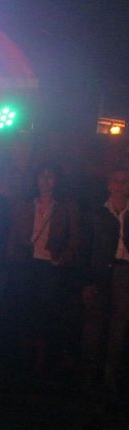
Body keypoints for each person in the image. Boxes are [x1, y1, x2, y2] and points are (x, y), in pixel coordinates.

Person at [6, 163, 83, 381]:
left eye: (50, 176)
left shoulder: (65, 207)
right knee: (25, 311)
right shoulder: (25, 204)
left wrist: (64, 257)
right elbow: (14, 234)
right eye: (42, 176)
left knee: (44, 314)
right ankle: (24, 359)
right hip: (26, 264)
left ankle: (40, 363)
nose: (46, 181)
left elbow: (75, 239)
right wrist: (11, 260)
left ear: (57, 180)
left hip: (50, 266)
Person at [82, 165, 129, 398]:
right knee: (95, 323)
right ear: (109, 184)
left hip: (125, 272)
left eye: (124, 181)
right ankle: (91, 372)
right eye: (116, 180)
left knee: (119, 326)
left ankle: (111, 375)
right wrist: (88, 280)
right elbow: (88, 248)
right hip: (101, 272)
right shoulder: (97, 212)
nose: (120, 185)